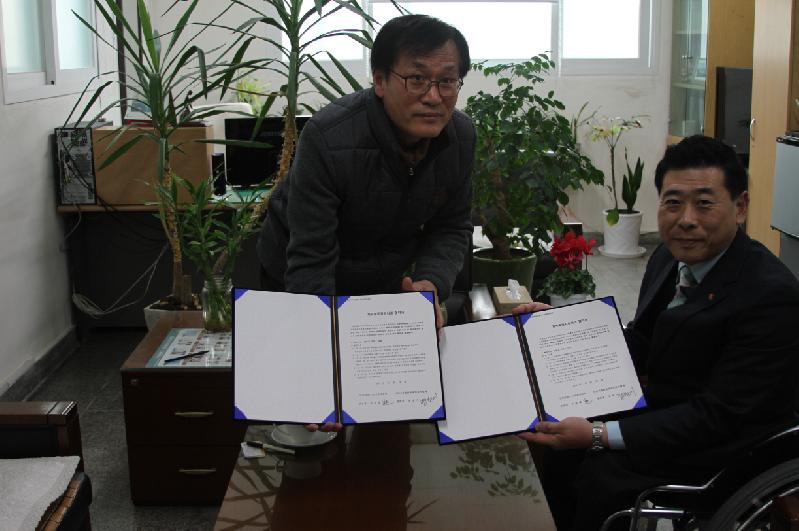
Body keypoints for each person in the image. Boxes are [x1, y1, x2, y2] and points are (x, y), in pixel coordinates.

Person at [515, 135, 799, 530]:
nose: (686, 220)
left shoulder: (770, 295)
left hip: (725, 444)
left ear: (740, 207)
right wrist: (561, 332)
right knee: (557, 437)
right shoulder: (668, 256)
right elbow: (642, 341)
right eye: (673, 202)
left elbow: (717, 416)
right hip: (669, 406)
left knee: (599, 474)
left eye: (704, 204)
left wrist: (599, 434)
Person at [257, 14, 474, 331]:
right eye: (417, 79)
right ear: (380, 81)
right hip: (298, 276)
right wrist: (322, 330)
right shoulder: (328, 138)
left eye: (447, 81)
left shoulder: (460, 136)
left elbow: (451, 226)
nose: (433, 97)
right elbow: (310, 258)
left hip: (383, 280)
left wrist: (430, 284)